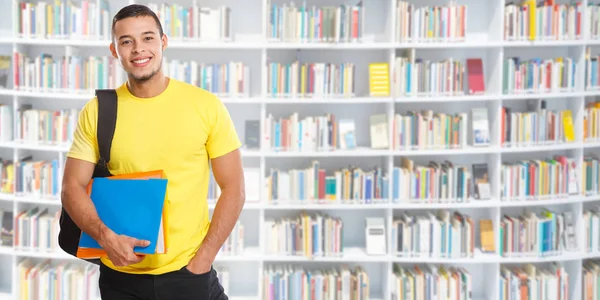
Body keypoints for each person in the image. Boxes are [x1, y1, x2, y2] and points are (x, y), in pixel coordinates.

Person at [60, 3, 245, 300]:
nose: (138, 49)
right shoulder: (97, 111)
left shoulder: (205, 106)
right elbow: (71, 188)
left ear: (163, 42)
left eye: (147, 38)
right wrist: (107, 239)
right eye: (126, 41)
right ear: (114, 50)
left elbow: (234, 187)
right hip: (119, 275)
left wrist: (204, 259)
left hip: (189, 273)